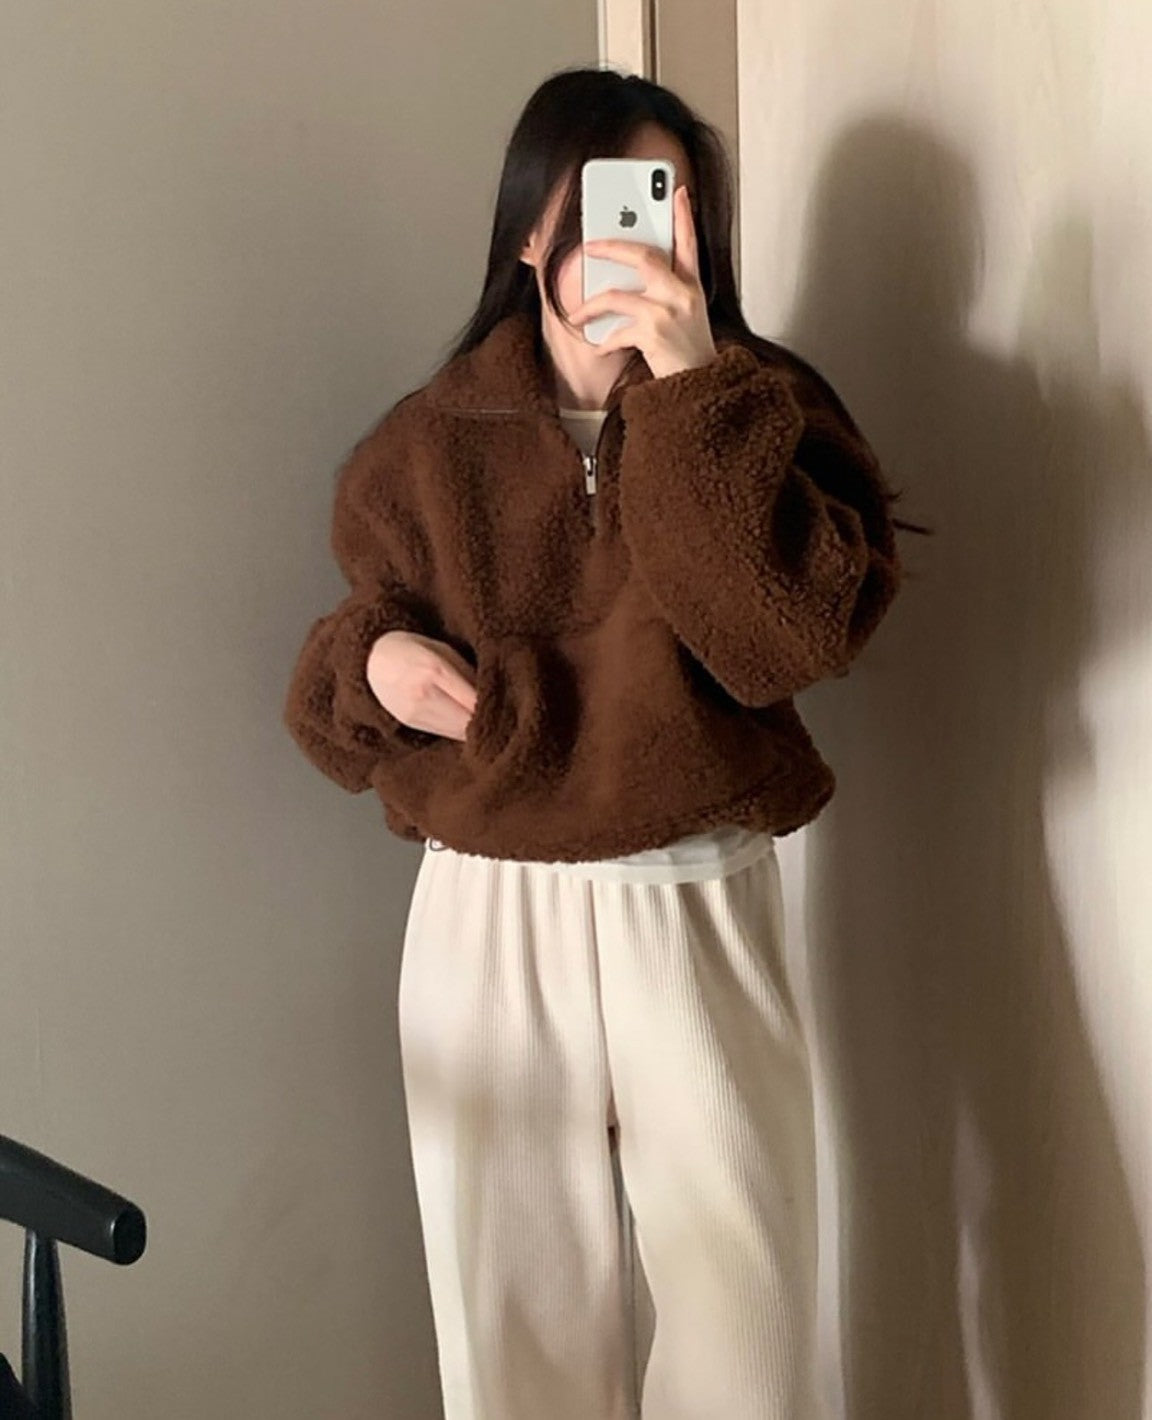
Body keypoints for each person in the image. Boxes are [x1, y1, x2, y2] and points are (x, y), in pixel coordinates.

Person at [283, 64, 919, 1420]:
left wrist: (692, 391)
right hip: (488, 907)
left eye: (666, 202)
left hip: (695, 889)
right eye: (603, 202)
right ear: (530, 228)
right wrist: (377, 661)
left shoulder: (763, 407)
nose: (638, 234)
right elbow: (344, 656)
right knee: (511, 1319)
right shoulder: (424, 445)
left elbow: (783, 642)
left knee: (748, 1313)